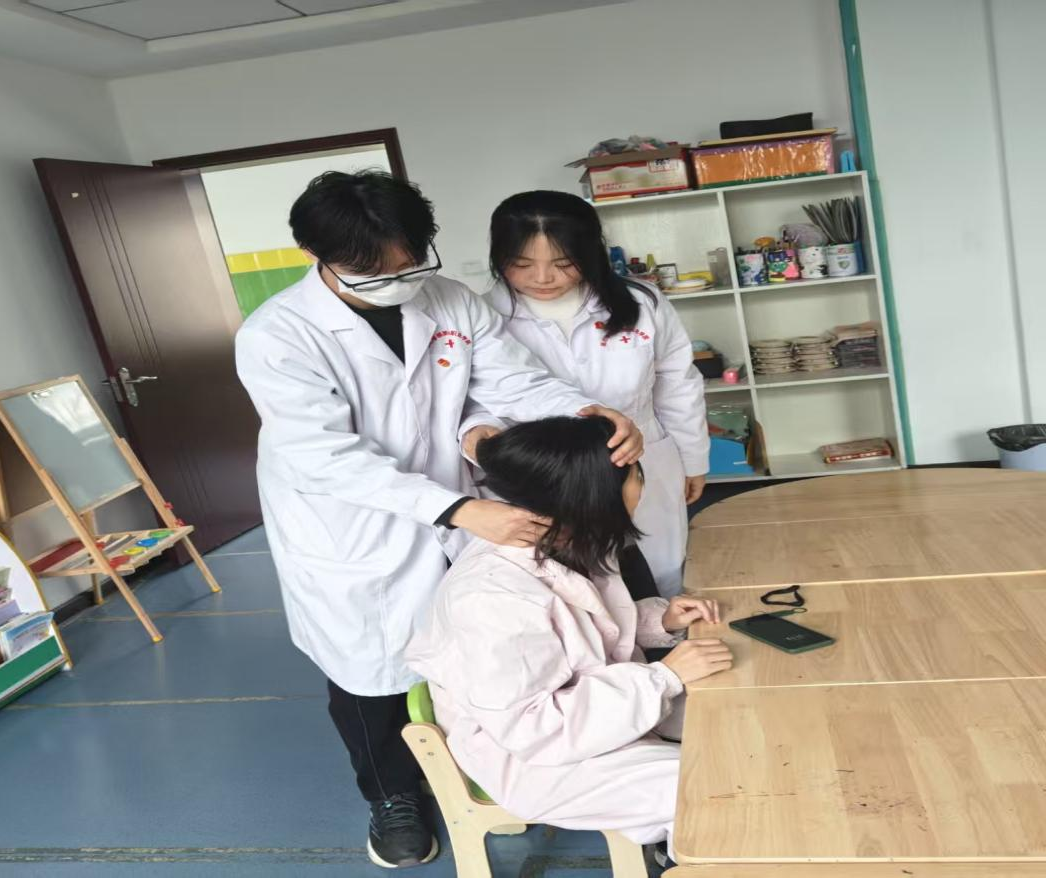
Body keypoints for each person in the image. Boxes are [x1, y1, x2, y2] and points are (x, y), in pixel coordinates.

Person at [234, 171, 644, 869]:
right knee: (370, 671)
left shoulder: (450, 299)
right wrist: (456, 508)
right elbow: (322, 453)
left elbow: (509, 381)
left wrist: (582, 413)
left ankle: (488, 763)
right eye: (375, 273)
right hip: (351, 524)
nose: (399, 283)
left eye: (411, 263)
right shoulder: (278, 335)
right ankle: (390, 794)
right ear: (314, 253)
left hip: (458, 504)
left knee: (481, 646)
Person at [405, 416, 732, 859]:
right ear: (595, 494)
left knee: (739, 723)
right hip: (539, 760)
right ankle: (690, 855)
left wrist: (663, 621)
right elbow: (535, 727)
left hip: (593, 714)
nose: (642, 486)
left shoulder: (567, 538)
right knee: (718, 783)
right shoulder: (492, 597)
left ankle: (681, 844)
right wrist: (663, 678)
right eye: (635, 476)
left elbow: (582, 629)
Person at [459, 190, 710, 598]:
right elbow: (476, 399)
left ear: (589, 252)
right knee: (570, 595)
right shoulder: (479, 317)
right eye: (521, 264)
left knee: (660, 576)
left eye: (563, 263)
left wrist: (693, 458)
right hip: (550, 481)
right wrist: (478, 436)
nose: (542, 278)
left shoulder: (641, 303)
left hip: (641, 465)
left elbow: (678, 384)